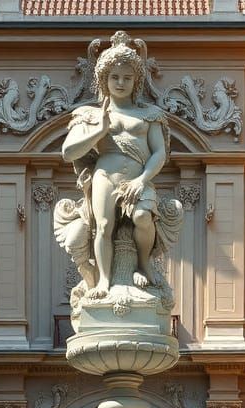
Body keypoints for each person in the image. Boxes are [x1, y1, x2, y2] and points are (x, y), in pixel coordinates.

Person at [60, 34, 171, 298]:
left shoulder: (150, 115)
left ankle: (144, 264)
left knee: (143, 217)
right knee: (104, 225)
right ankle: (104, 281)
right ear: (104, 80)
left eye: (127, 78)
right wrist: (99, 131)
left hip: (137, 178)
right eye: (115, 77)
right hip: (105, 175)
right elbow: (68, 152)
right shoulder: (90, 115)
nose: (121, 83)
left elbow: (159, 153)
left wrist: (142, 180)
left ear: (136, 81)